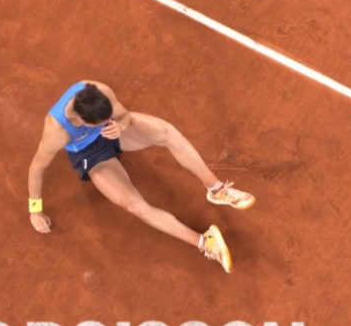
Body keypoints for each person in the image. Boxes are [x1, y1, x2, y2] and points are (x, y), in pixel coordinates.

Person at [26, 80, 255, 273]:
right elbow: (37, 168)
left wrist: (119, 125)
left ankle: (217, 189)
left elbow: (123, 115)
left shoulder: (98, 90)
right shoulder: (56, 132)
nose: (106, 120)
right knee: (136, 207)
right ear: (82, 120)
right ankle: (206, 242)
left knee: (168, 133)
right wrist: (35, 210)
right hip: (91, 155)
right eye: (100, 122)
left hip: (116, 133)